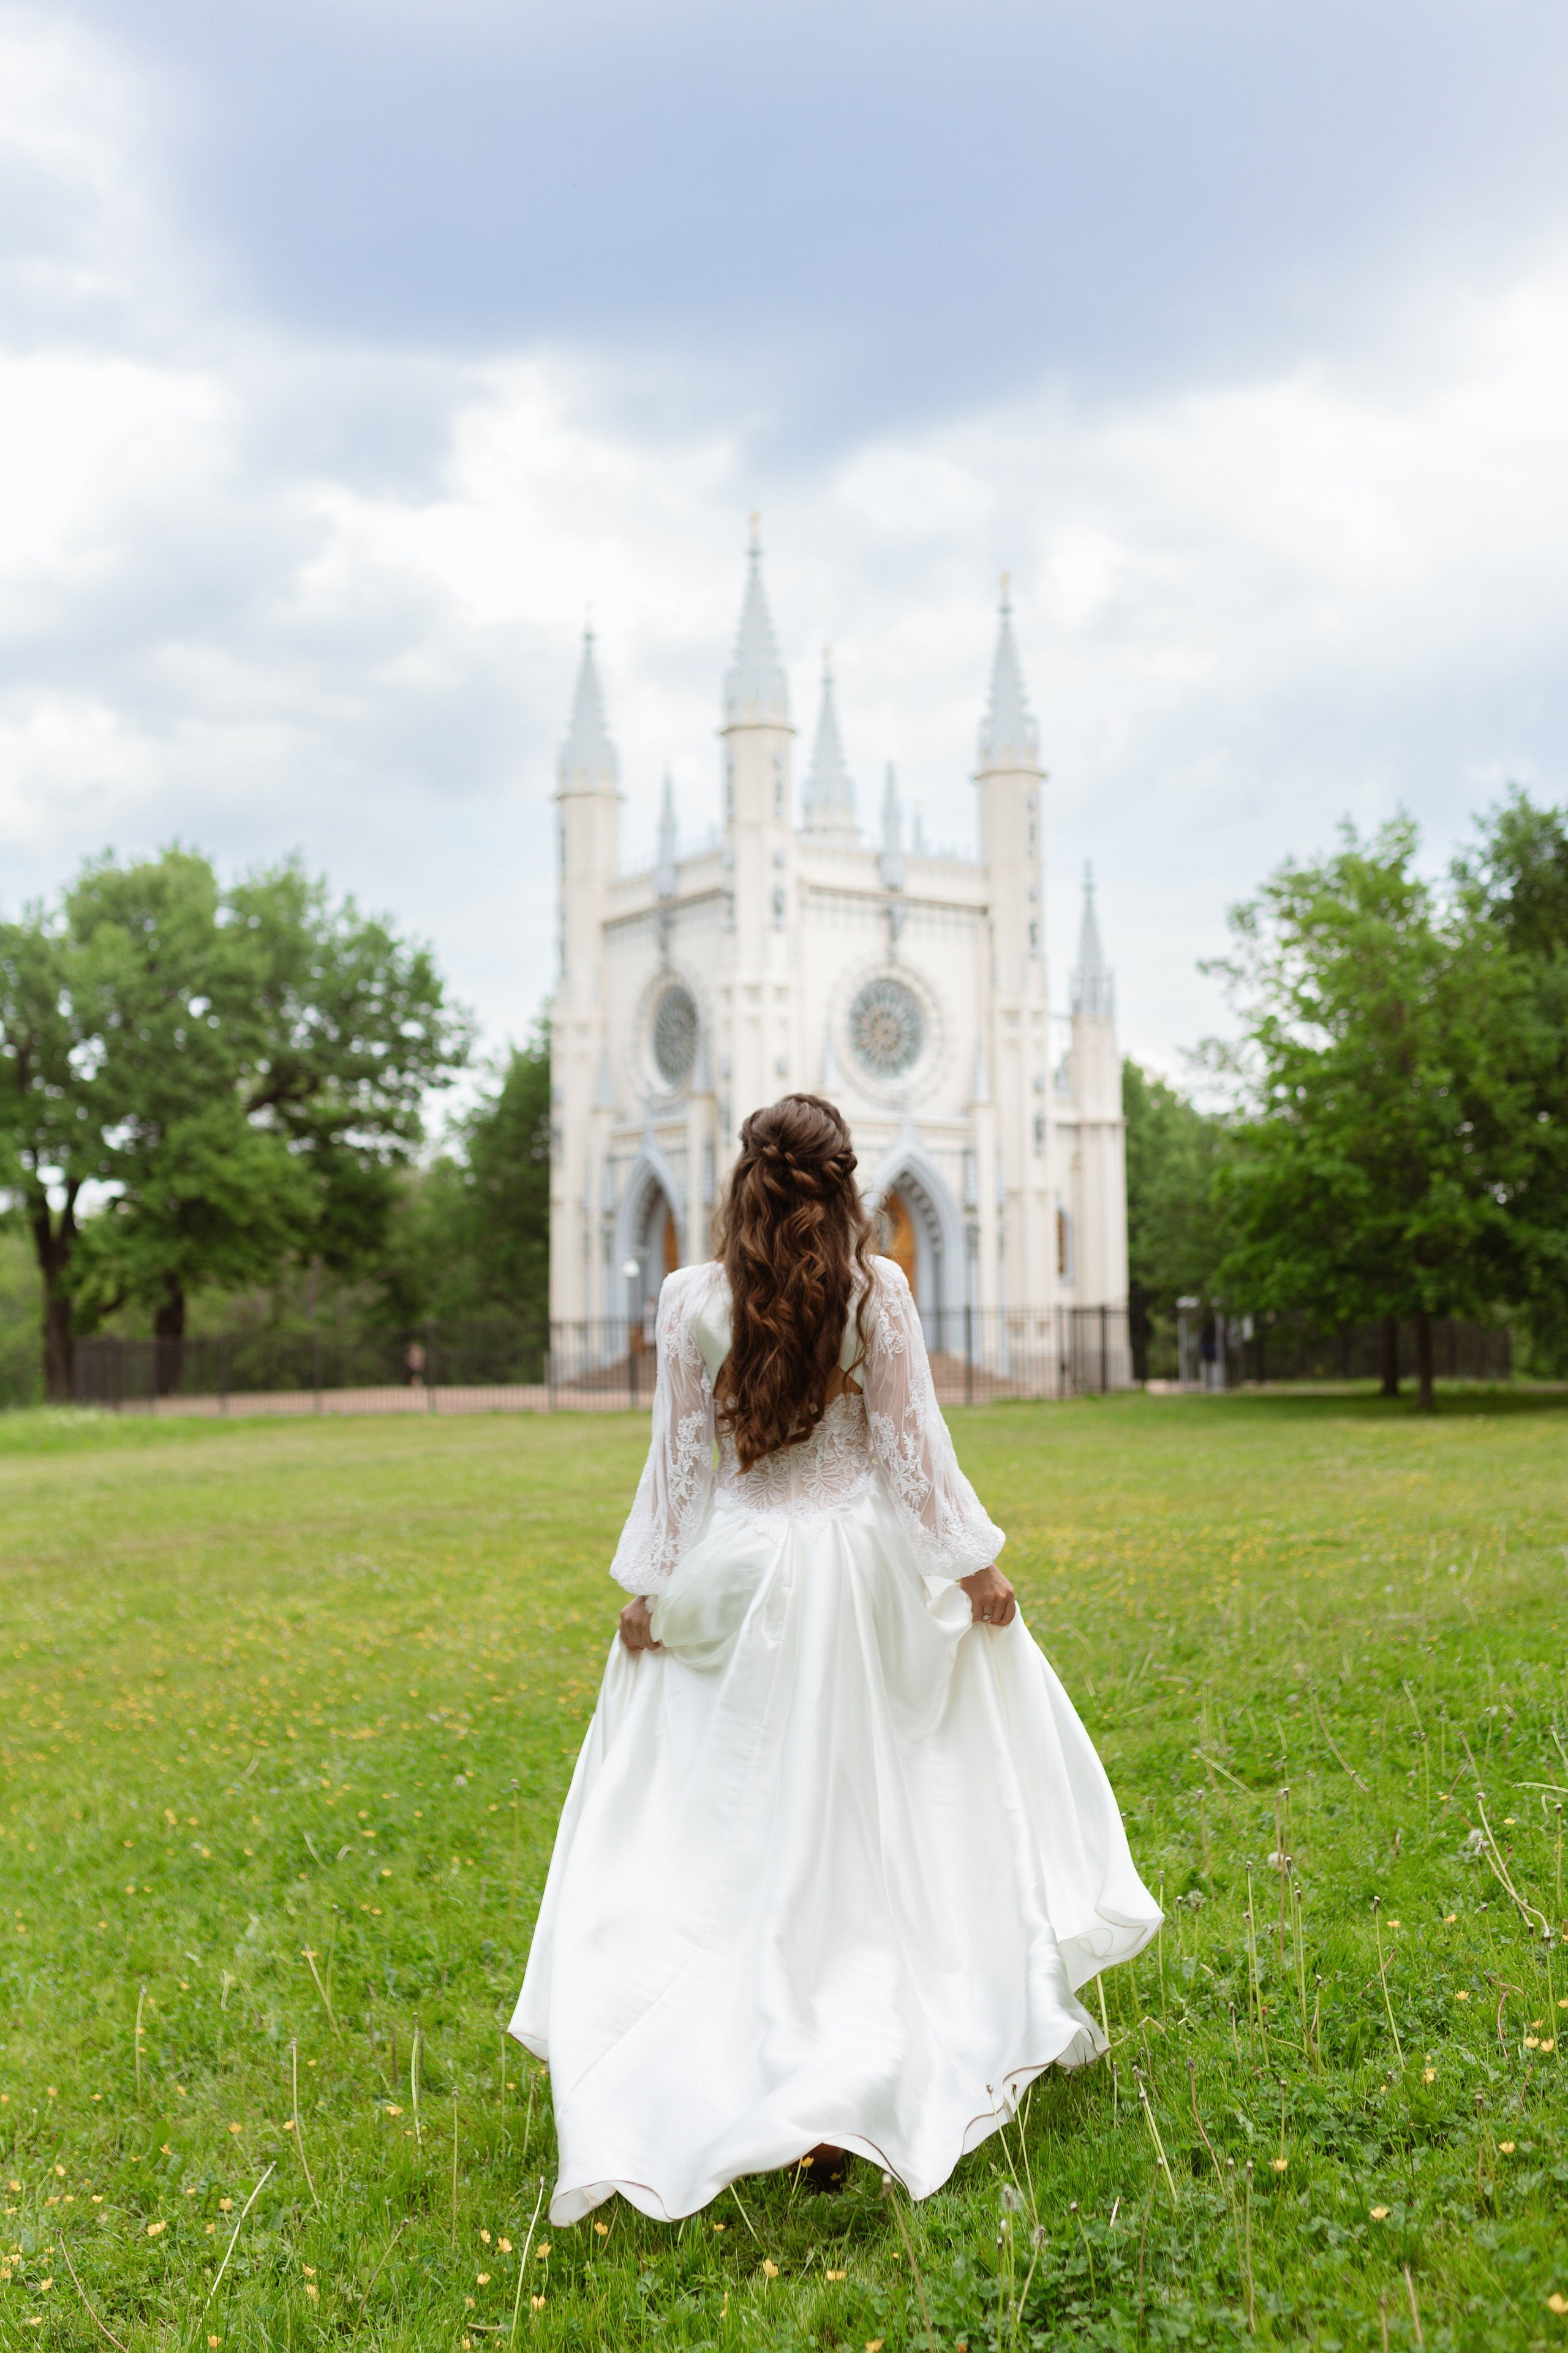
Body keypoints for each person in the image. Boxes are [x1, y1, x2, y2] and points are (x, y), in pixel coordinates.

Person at [510, 1093, 1159, 2227]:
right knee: (880, 1812)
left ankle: (750, 2039)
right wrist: (972, 1570)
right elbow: (914, 1460)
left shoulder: (688, 1300)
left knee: (732, 1820)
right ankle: (863, 2038)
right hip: (862, 1579)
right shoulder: (877, 1290)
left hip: (747, 1571)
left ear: (744, 1185)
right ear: (844, 1184)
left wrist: (655, 1592)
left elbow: (682, 1474)